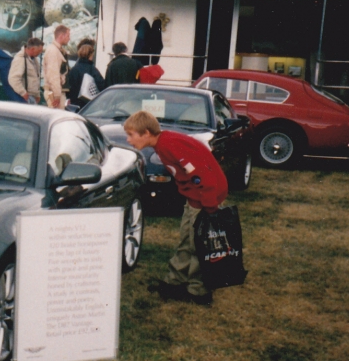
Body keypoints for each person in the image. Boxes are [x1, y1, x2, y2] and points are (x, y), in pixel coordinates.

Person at [124, 110, 228, 306]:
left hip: (206, 197)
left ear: (146, 133)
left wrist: (209, 207)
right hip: (194, 198)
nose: (128, 140)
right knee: (186, 239)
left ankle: (198, 290)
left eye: (131, 135)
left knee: (198, 243)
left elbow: (202, 176)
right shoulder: (162, 145)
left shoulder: (170, 145)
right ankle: (175, 281)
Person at [67, 39, 106, 109]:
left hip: (75, 103)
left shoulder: (74, 69)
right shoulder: (92, 69)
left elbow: (71, 86)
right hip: (88, 104)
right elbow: (101, 84)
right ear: (90, 55)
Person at [42, 25, 71, 108]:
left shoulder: (57, 50)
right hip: (54, 94)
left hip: (55, 92)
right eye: (68, 35)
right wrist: (57, 95)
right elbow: (53, 75)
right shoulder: (53, 51)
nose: (69, 38)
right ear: (61, 36)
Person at [8, 38, 43, 104]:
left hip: (31, 97)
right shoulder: (20, 59)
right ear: (33, 49)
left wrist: (37, 94)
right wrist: (23, 93)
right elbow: (13, 78)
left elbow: (36, 77)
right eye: (39, 50)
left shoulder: (34, 60)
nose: (40, 53)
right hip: (25, 97)